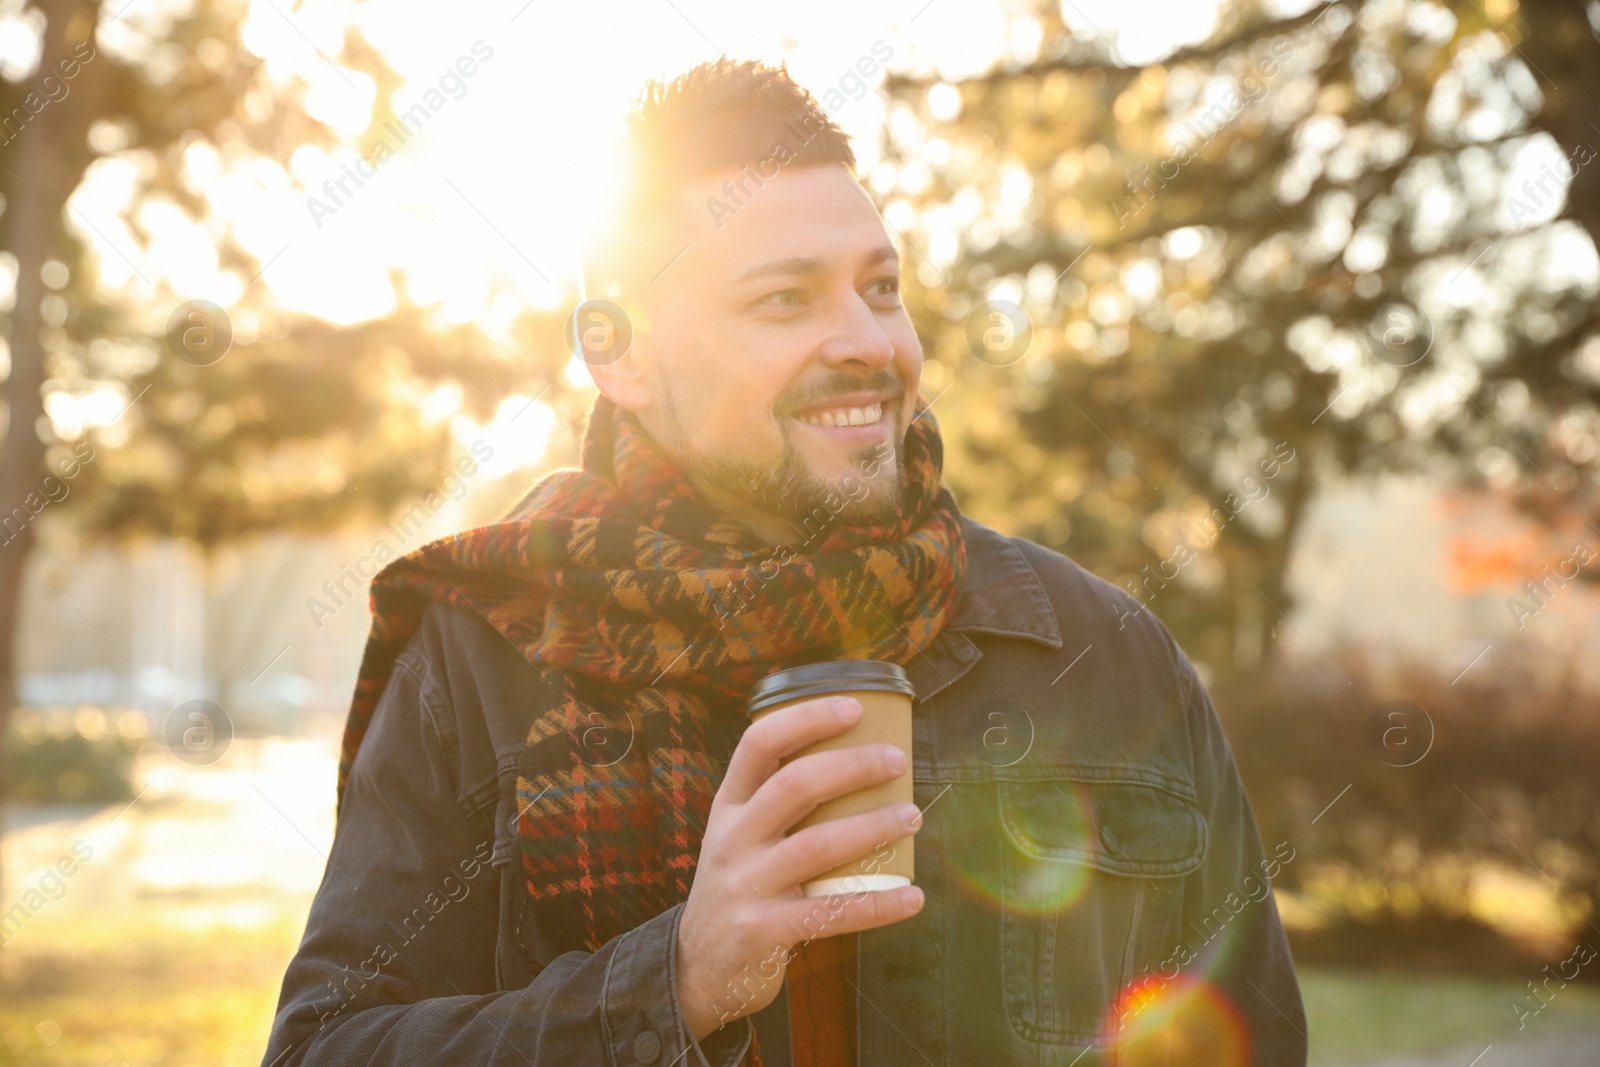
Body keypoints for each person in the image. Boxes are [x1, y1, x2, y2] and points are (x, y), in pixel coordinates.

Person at [261, 58, 1307, 1067]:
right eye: (784, 299)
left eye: (881, 286)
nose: (869, 342)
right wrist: (671, 979)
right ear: (617, 353)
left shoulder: (1103, 655)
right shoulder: (481, 652)